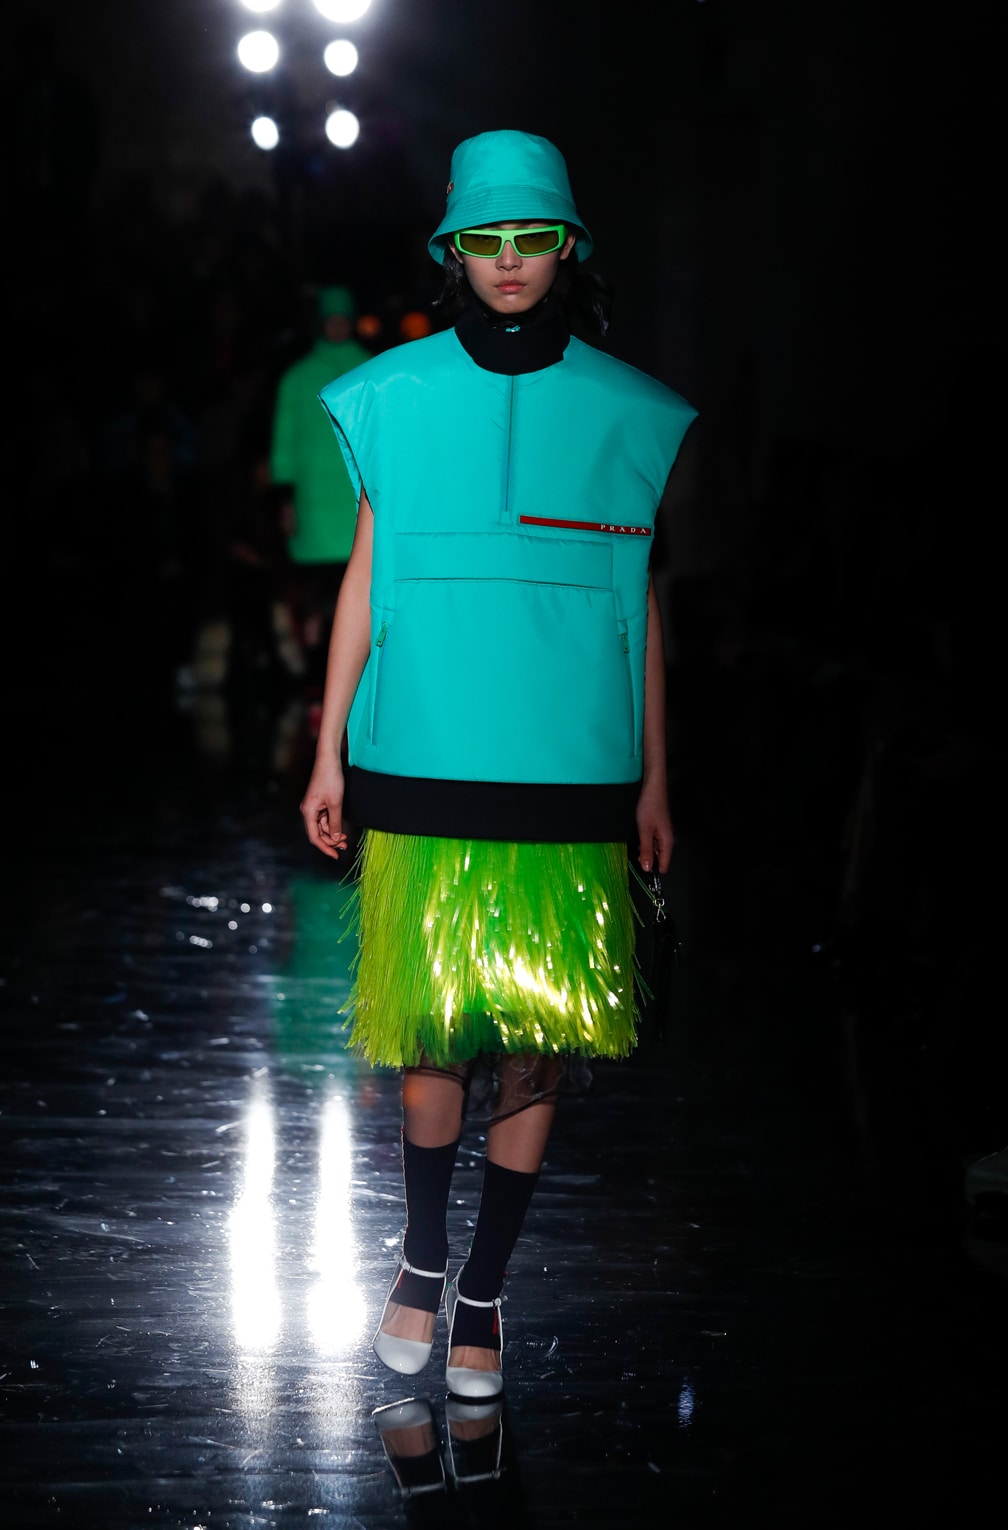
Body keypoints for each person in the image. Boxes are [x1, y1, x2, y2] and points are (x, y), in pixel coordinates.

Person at [300, 129, 698, 1400]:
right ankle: (423, 1262)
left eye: (532, 238)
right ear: (453, 251)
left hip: (570, 769)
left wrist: (654, 779)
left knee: (535, 1038)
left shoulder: (628, 414)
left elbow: (640, 610)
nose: (511, 260)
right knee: (432, 1032)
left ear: (567, 247)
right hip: (423, 752)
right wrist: (326, 749)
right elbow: (365, 581)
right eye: (487, 239)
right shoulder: (392, 399)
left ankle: (484, 1289)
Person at [268, 284, 374, 693]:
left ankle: (354, 690)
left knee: (359, 592)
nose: (337, 326)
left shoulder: (371, 368)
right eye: (331, 319)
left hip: (356, 498)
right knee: (315, 599)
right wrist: (284, 497)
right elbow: (284, 438)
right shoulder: (297, 377)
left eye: (343, 319)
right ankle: (317, 686)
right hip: (314, 501)